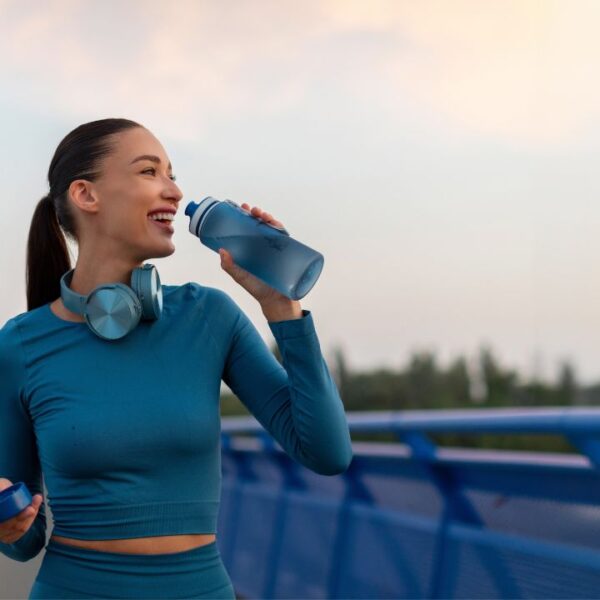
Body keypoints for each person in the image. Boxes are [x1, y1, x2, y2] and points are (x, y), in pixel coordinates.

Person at [0, 118, 353, 599]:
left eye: (172, 172)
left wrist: (281, 306)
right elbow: (26, 538)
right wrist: (10, 525)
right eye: (150, 172)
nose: (174, 189)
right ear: (87, 195)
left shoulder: (209, 316)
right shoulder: (21, 343)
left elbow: (328, 453)